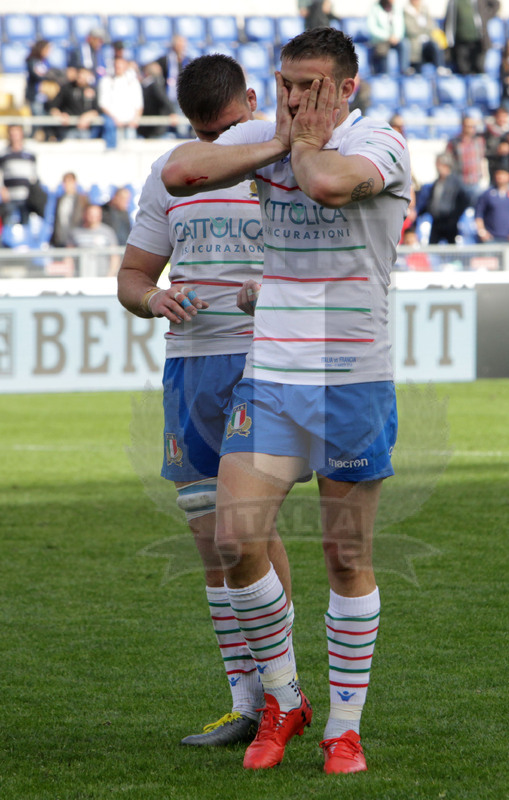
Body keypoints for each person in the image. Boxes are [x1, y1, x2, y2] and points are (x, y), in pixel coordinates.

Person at [161, 27, 411, 774]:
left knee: (345, 557)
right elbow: (180, 170)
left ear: (346, 88)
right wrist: (277, 140)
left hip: (352, 375)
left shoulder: (382, 142)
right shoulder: (271, 138)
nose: (294, 98)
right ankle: (284, 698)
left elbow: (331, 184)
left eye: (308, 86)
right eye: (284, 84)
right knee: (235, 539)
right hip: (271, 374)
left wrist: (295, 145)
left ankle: (344, 728)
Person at [117, 54, 294, 748]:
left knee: (245, 531)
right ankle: (248, 701)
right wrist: (154, 296)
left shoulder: (286, 164)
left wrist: (271, 289)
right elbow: (133, 274)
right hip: (189, 367)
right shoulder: (171, 172)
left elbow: (319, 257)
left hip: (262, 362)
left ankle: (284, 692)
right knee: (210, 539)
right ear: (247, 96)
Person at [416, 151, 470, 243]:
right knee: (433, 247)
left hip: (450, 222)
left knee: (451, 250)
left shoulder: (455, 182)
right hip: (437, 221)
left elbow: (464, 201)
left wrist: (454, 216)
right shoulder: (437, 182)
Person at [98, 56, 144, 148]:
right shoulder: (106, 81)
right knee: (112, 151)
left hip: (130, 123)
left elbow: (139, 103)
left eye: (120, 65)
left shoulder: (133, 82)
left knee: (131, 150)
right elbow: (103, 103)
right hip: (113, 124)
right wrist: (114, 119)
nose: (118, 68)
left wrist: (136, 118)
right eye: (116, 65)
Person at [474, 162, 509, 243]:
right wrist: (482, 232)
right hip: (491, 239)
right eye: (498, 174)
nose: (499, 177)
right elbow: (478, 215)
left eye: (502, 174)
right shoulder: (487, 194)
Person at [443, 0, 500, 75]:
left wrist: (485, 16)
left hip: (478, 40)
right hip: (461, 41)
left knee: (479, 68)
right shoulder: (454, 2)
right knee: (464, 69)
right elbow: (449, 21)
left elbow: (496, 4)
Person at [47, 66, 101, 141]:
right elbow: (52, 106)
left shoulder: (93, 90)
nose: (81, 76)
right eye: (79, 73)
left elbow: (98, 110)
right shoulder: (67, 88)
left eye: (84, 74)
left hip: (86, 130)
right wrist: (59, 115)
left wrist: (88, 116)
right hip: (68, 128)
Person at [0, 125, 39, 225]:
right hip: (10, 197)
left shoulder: (30, 154)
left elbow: (34, 175)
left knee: (26, 225)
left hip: (26, 197)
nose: (14, 136)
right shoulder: (4, 154)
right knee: (8, 227)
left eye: (16, 133)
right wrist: (2, 189)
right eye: (12, 134)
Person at [67, 203, 120, 277]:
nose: (93, 217)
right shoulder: (75, 233)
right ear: (85, 214)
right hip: (80, 276)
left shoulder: (108, 232)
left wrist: (110, 275)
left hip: (102, 277)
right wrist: (69, 275)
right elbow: (69, 256)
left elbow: (114, 256)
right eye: (91, 214)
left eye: (96, 215)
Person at [446, 113, 487, 207]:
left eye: (472, 126)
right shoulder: (454, 142)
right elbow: (447, 160)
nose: (470, 129)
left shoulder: (480, 141)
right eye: (468, 126)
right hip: (460, 181)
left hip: (475, 181)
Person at [367, 0, 412, 76]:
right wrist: (387, 36)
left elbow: (400, 26)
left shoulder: (396, 8)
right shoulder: (375, 8)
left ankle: (404, 70)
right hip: (380, 40)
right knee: (382, 48)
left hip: (395, 39)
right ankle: (384, 73)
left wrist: (396, 36)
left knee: (405, 43)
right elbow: (372, 28)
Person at [403, 0, 448, 74]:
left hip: (427, 41)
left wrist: (421, 29)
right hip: (414, 42)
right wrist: (423, 29)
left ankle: (440, 67)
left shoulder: (424, 9)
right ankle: (417, 71)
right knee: (418, 51)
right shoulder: (406, 11)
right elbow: (410, 30)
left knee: (435, 44)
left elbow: (431, 26)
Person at [138, 62, 179, 139]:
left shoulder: (153, 85)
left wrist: (172, 112)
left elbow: (164, 99)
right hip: (150, 127)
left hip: (155, 127)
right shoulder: (150, 85)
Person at [50, 172, 88, 248]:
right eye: (65, 182)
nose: (67, 185)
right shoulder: (59, 200)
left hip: (76, 240)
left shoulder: (82, 199)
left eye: (69, 182)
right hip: (61, 240)